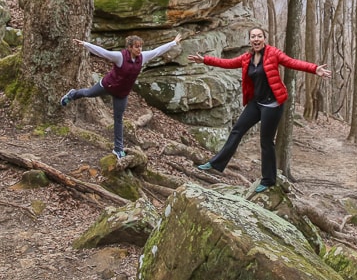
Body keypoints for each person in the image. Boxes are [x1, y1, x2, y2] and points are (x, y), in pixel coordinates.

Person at [187, 27, 331, 193]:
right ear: (250, 40)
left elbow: (292, 62)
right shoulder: (247, 58)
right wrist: (204, 60)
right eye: (253, 37)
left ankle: (268, 179)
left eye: (259, 36)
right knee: (237, 130)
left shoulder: (273, 53)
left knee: (266, 141)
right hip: (256, 103)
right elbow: (227, 63)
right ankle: (216, 163)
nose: (256, 39)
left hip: (273, 104)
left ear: (264, 38)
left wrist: (314, 69)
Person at [62, 33, 181, 159]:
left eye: (140, 47)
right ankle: (72, 94)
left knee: (118, 120)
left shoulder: (143, 57)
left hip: (121, 94)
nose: (139, 49)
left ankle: (118, 149)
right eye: (136, 47)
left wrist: (173, 42)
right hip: (107, 85)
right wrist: (86, 44)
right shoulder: (120, 57)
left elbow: (157, 51)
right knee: (88, 93)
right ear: (129, 47)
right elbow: (103, 52)